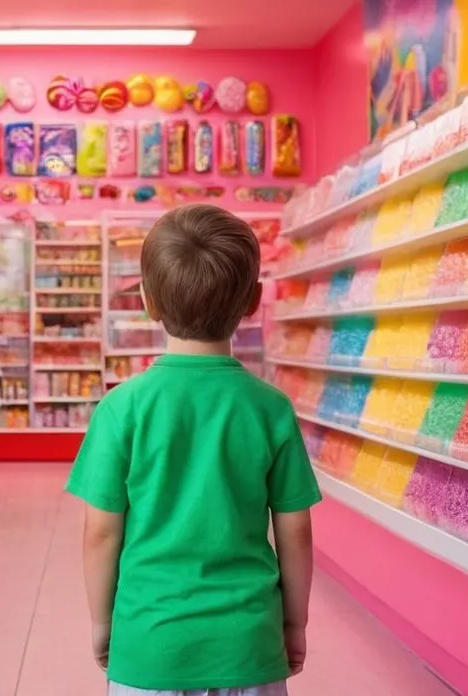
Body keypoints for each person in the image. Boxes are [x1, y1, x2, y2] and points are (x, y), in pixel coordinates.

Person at [66, 205, 321, 696]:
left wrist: (102, 623)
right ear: (254, 301)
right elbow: (296, 532)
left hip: (149, 643)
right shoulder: (270, 409)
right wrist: (294, 624)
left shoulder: (122, 409)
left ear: (147, 300)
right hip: (248, 644)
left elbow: (100, 533)